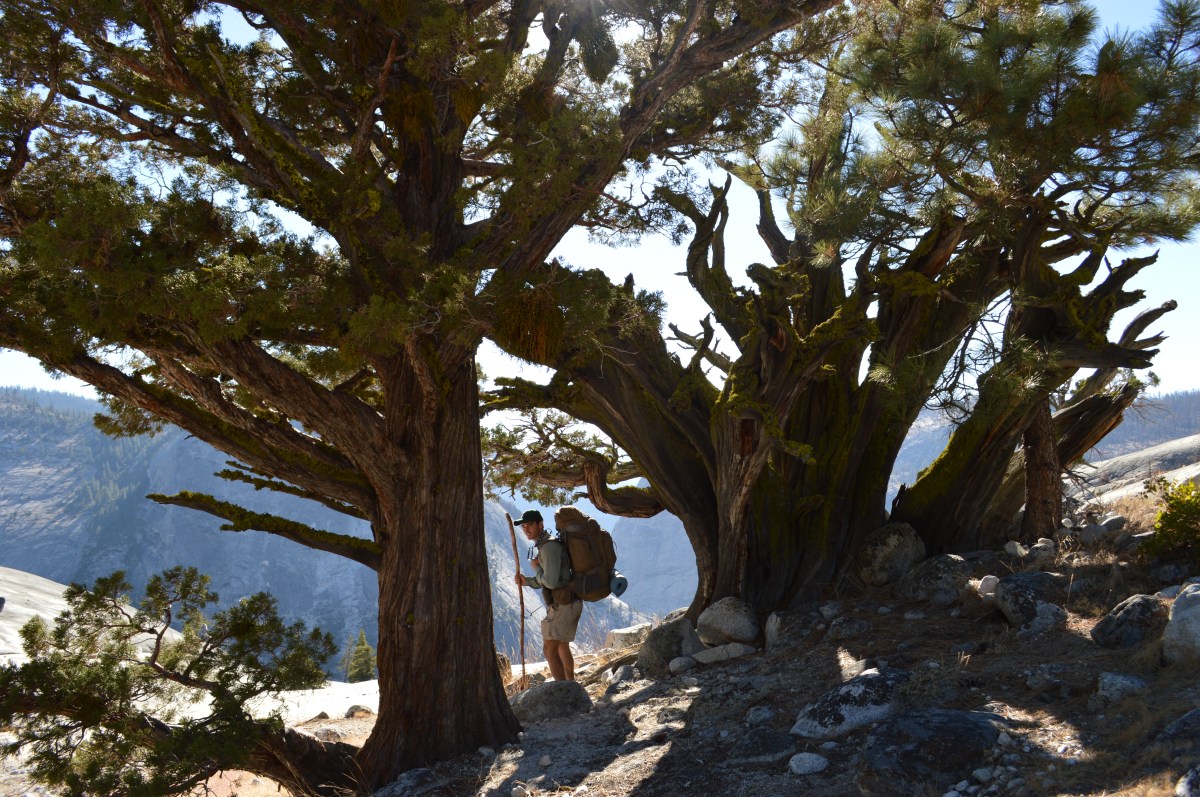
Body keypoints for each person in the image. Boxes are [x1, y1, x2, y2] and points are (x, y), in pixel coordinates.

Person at [513, 509, 582, 681]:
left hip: (564, 604)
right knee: (562, 646)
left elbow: (550, 582)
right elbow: (546, 580)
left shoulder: (549, 547)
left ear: (540, 524)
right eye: (523, 527)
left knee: (549, 650)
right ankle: (571, 686)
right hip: (568, 601)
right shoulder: (545, 545)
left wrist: (535, 567)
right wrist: (527, 581)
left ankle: (562, 691)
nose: (526, 529)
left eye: (530, 525)